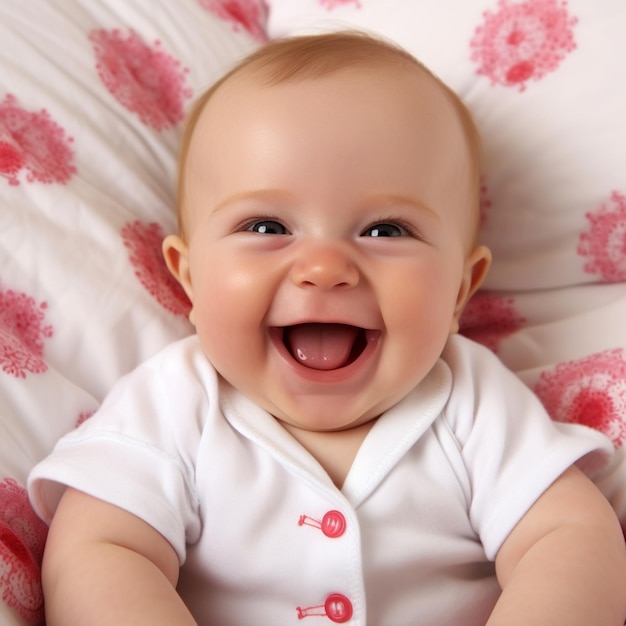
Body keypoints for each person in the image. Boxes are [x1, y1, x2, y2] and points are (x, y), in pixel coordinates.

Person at [28, 31, 626, 625]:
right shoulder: (172, 404)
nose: (324, 268)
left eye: (386, 230)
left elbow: (568, 536)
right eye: (265, 227)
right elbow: (98, 550)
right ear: (190, 278)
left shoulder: (469, 401)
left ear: (459, 292)